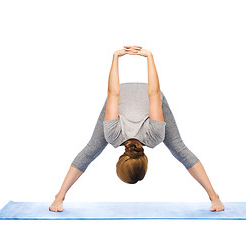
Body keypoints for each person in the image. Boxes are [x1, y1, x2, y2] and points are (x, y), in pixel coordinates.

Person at [49, 46, 225, 212]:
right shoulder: (146, 135)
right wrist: (127, 57)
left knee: (92, 149)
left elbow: (117, 94)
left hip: (121, 98)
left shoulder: (123, 134)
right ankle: (213, 196)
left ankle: (60, 196)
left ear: (146, 162)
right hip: (127, 98)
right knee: (179, 149)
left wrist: (138, 57)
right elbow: (150, 94)